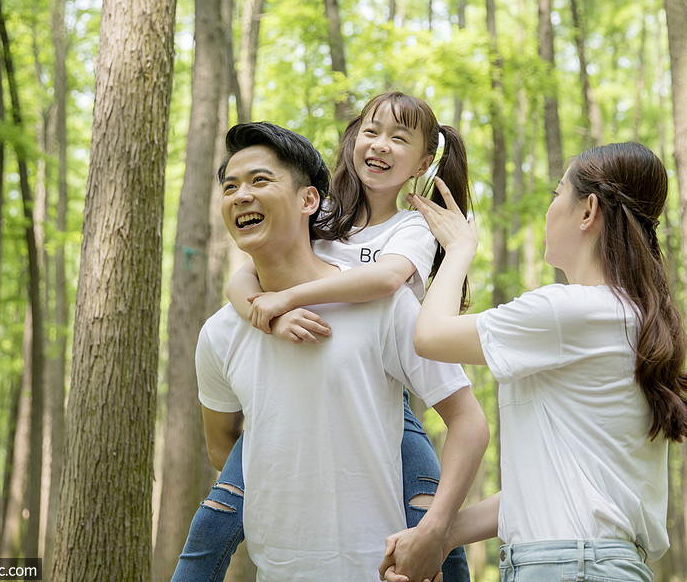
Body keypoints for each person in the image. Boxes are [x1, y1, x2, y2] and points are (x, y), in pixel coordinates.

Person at [173, 92, 479, 582]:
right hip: (296, 402)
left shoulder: (412, 228)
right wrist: (267, 314)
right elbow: (247, 274)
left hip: (383, 395)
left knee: (429, 513)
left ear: (424, 161)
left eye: (398, 139)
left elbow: (382, 283)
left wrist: (289, 301)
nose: (379, 146)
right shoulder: (327, 214)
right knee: (216, 515)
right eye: (370, 132)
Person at [380, 142, 687, 582]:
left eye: (558, 193)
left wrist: (458, 248)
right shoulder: (632, 319)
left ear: (588, 210)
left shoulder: (572, 311)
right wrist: (437, 536)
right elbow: (543, 493)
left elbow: (430, 334)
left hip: (569, 567)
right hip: (591, 564)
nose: (550, 209)